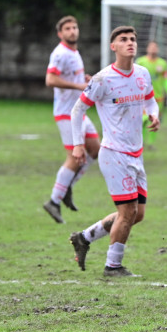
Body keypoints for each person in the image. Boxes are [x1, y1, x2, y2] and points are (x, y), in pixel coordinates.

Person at [68, 26, 160, 277]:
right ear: (113, 47)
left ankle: (84, 237)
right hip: (114, 154)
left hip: (136, 154)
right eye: (123, 39)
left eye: (132, 39)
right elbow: (77, 111)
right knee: (127, 212)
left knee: (136, 215)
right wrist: (78, 144)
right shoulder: (102, 79)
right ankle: (113, 266)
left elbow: (150, 99)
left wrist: (154, 114)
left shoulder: (142, 74)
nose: (130, 43)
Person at [43, 16, 100, 223]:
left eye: (75, 27)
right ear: (60, 33)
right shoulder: (59, 53)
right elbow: (50, 79)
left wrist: (82, 79)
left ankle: (66, 188)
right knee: (75, 157)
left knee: (96, 149)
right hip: (66, 113)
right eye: (67, 29)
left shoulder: (74, 52)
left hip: (78, 112)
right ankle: (54, 201)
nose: (72, 31)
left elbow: (71, 77)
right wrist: (78, 86)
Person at [136, 41, 167, 148]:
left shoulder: (162, 64)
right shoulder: (140, 62)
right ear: (147, 48)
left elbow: (166, 80)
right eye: (151, 46)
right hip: (143, 98)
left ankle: (151, 143)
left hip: (158, 98)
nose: (153, 49)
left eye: (155, 47)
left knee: (155, 120)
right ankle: (142, 141)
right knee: (143, 120)